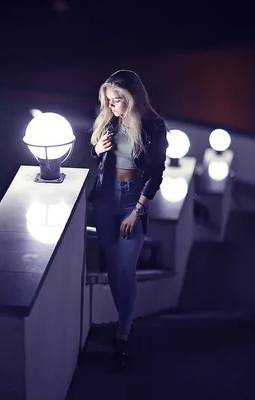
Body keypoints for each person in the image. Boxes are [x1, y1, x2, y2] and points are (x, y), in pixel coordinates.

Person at [88, 70, 169, 371]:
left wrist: (138, 211)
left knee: (125, 267)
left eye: (118, 100)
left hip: (133, 198)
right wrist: (97, 149)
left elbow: (157, 171)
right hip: (106, 197)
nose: (111, 105)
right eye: (108, 100)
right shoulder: (108, 120)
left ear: (132, 98)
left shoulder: (154, 126)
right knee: (113, 268)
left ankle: (123, 335)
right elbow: (93, 152)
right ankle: (124, 327)